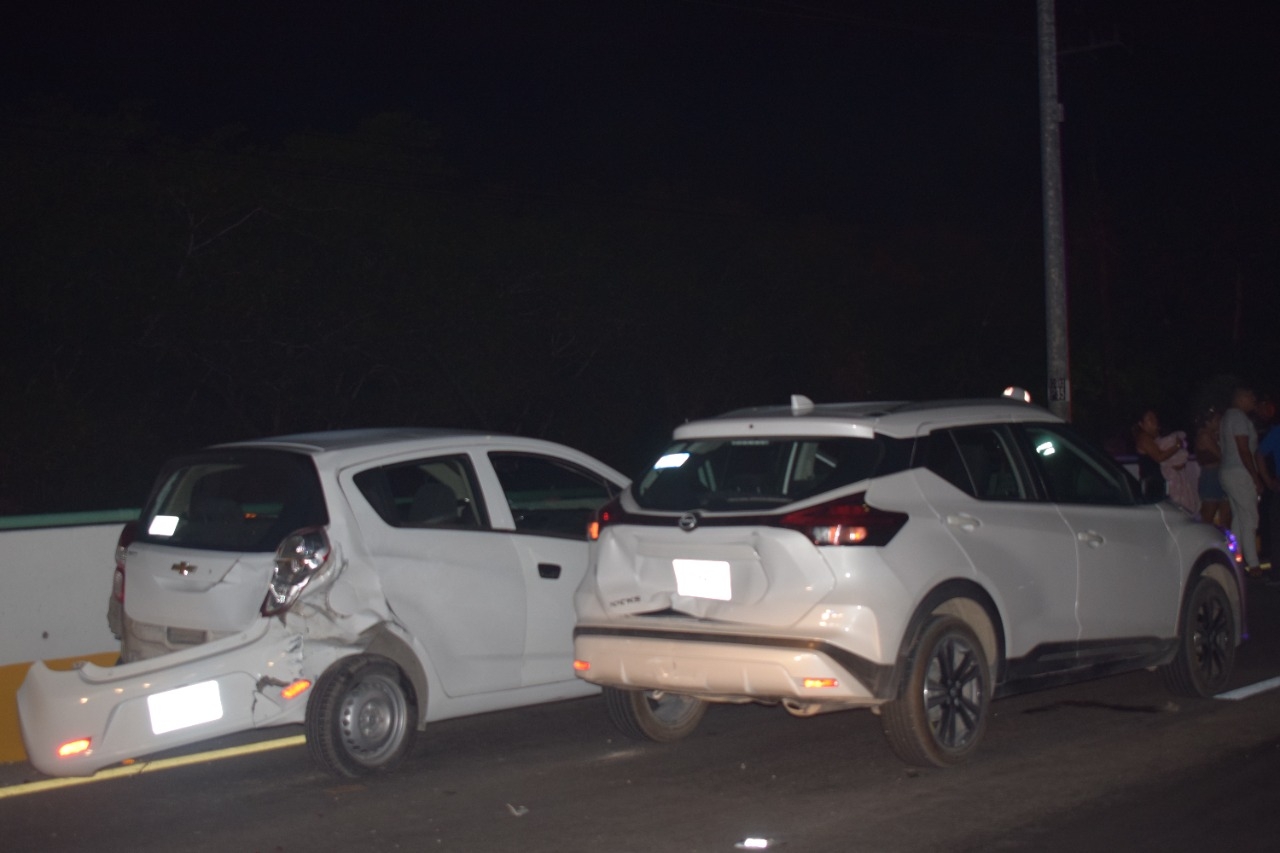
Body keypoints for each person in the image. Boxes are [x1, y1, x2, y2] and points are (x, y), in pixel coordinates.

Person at [1219, 386, 1264, 575]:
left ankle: (1234, 558)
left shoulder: (1227, 418)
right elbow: (1243, 449)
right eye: (1251, 396)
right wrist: (1255, 477)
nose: (1254, 399)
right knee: (1250, 517)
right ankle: (1253, 564)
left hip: (1229, 472)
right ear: (1241, 398)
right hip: (1240, 472)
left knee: (1239, 517)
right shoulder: (1238, 417)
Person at [1132, 409, 1193, 507]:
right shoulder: (1144, 438)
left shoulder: (1155, 437)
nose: (1153, 421)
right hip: (1151, 483)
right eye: (1149, 419)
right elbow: (1159, 457)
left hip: (1158, 481)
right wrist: (1176, 446)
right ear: (1141, 424)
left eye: (1154, 418)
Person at [1194, 408, 1230, 527]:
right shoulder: (1205, 435)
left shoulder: (1215, 435)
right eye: (1217, 420)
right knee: (1207, 516)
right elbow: (1221, 454)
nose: (1220, 422)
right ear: (1208, 422)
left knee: (1225, 516)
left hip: (1220, 474)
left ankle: (1225, 543)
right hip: (1211, 476)